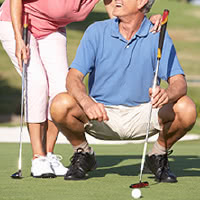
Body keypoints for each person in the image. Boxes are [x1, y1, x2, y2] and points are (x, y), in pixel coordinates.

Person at [0, 0, 161, 178]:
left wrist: (146, 23)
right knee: (37, 84)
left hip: (52, 28)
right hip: (18, 22)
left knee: (61, 88)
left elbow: (119, 14)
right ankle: (38, 158)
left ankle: (48, 155)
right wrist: (17, 38)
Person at [50, 0, 197, 182]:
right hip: (101, 114)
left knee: (187, 108)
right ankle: (83, 153)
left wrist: (167, 94)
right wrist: (87, 102)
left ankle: (157, 155)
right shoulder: (96, 31)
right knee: (60, 104)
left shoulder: (158, 35)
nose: (116, 0)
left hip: (145, 113)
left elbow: (179, 83)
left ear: (142, 2)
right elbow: (73, 78)